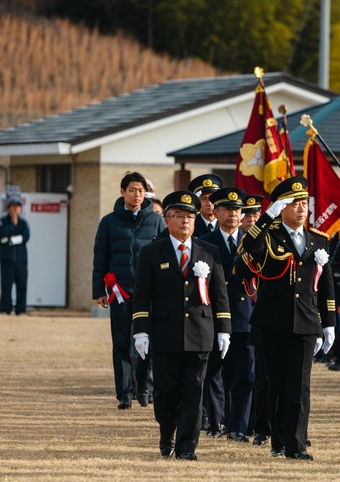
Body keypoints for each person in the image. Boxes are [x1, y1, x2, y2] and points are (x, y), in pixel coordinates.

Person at [237, 176, 336, 460]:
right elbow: (248, 251)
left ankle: (297, 446)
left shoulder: (319, 240)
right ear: (282, 208)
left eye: (304, 203)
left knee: (300, 387)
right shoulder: (267, 235)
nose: (301, 209)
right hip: (272, 321)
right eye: (294, 204)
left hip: (306, 322)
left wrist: (328, 323)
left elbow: (325, 284)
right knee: (276, 383)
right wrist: (266, 217)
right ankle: (278, 441)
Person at [131, 190, 231, 460]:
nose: (185, 221)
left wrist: (224, 330)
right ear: (166, 220)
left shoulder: (209, 252)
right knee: (166, 393)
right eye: (179, 216)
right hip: (165, 334)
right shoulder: (152, 252)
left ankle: (187, 447)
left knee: (194, 392)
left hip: (200, 333)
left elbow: (220, 295)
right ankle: (167, 433)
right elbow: (142, 296)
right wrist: (140, 331)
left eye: (190, 216)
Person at [92, 172, 165, 409]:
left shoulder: (156, 221)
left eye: (141, 190)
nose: (137, 194)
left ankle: (146, 389)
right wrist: (99, 290)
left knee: (149, 342)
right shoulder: (109, 222)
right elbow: (100, 259)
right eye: (132, 190)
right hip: (119, 292)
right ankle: (124, 393)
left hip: (150, 294)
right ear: (122, 192)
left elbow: (166, 256)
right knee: (121, 343)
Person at [201, 187, 256, 442]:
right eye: (226, 209)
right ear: (216, 211)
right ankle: (214, 422)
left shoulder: (252, 241)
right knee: (213, 373)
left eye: (237, 210)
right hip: (213, 317)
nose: (232, 214)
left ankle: (238, 427)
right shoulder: (204, 242)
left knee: (244, 375)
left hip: (244, 317)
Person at [0, 196, 29, 315]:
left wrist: (10, 240)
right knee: (6, 286)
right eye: (13, 207)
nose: (16, 209)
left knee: (22, 286)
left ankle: (21, 310)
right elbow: (3, 233)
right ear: (8, 208)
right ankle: (5, 309)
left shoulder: (24, 223)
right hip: (7, 261)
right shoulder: (2, 221)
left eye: (18, 207)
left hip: (21, 261)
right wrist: (13, 225)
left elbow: (26, 237)